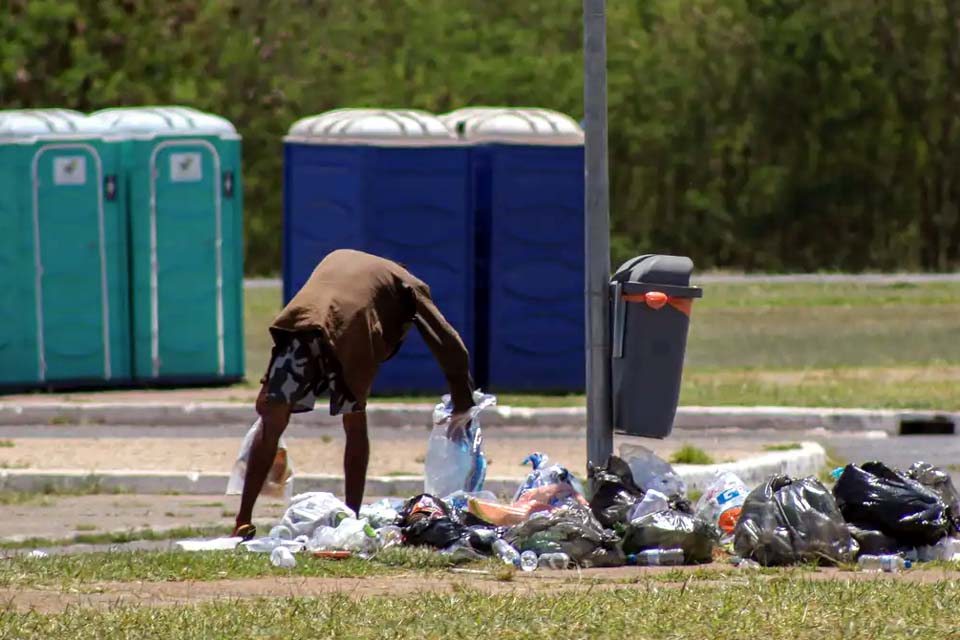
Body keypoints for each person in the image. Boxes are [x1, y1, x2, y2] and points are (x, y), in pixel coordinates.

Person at [231, 249, 474, 539]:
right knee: (355, 424)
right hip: (351, 333)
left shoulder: (340, 256)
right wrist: (463, 403)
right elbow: (448, 342)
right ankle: (352, 518)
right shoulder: (407, 282)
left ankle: (242, 521)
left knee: (272, 420)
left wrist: (268, 391)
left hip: (300, 325)